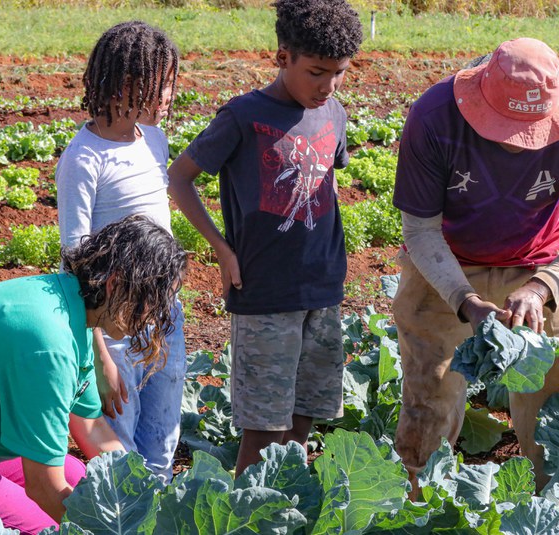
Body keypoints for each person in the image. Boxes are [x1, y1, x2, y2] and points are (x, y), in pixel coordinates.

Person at [392, 37, 559, 494]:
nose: (520, 143)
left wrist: (543, 287)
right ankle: (418, 506)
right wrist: (465, 300)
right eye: (505, 127)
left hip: (543, 262)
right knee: (429, 394)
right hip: (446, 262)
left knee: (556, 401)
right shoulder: (435, 116)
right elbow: (419, 230)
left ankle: (554, 505)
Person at [0, 214, 187, 534]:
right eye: (153, 302)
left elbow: (91, 427)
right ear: (115, 284)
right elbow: (45, 488)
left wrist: (143, 501)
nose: (152, 318)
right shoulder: (46, 344)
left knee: (79, 477)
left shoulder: (69, 306)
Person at [168, 0, 363, 477]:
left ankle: (282, 507)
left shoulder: (334, 113)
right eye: (317, 72)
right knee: (263, 427)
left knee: (303, 416)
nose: (328, 86)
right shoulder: (243, 115)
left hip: (322, 287)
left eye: (339, 73)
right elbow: (179, 178)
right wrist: (221, 248)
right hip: (265, 291)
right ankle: (246, 513)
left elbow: (328, 182)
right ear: (282, 57)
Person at [55, 20, 186, 485]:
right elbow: (75, 264)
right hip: (113, 322)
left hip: (165, 310)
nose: (170, 94)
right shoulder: (83, 158)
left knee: (165, 427)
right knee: (121, 434)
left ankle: (161, 507)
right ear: (127, 83)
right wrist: (101, 359)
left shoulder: (152, 140)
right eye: (163, 83)